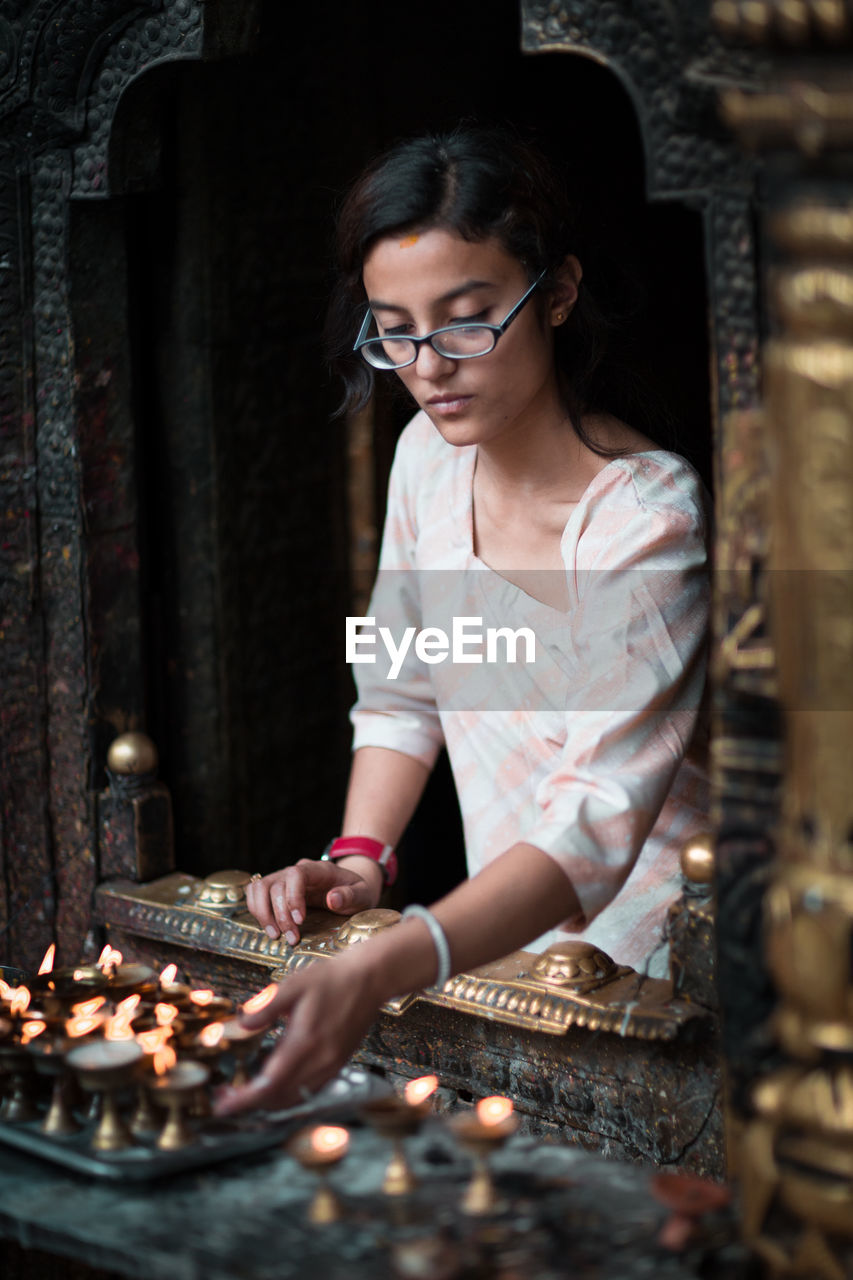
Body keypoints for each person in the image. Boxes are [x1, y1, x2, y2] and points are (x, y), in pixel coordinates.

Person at [215, 126, 710, 1117]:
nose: (427, 366)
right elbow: (402, 686)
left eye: (466, 320)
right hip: (495, 949)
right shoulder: (426, 464)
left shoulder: (645, 518)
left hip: (658, 975)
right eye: (394, 329)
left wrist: (389, 960)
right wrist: (358, 859)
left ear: (557, 292)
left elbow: (594, 821)